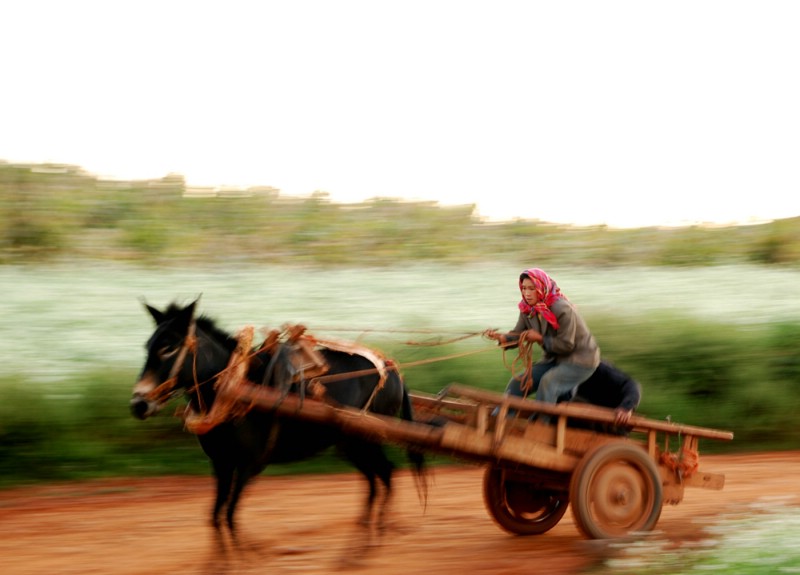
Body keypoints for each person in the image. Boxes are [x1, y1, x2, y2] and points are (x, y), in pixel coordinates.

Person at [484, 268, 600, 422]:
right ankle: (501, 419)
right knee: (519, 381)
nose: (527, 293)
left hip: (580, 360)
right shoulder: (527, 309)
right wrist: (503, 338)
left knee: (549, 382)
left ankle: (539, 425)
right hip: (554, 359)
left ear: (541, 288)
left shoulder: (562, 308)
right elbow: (519, 333)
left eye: (532, 289)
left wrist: (540, 338)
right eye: (524, 288)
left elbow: (567, 345)